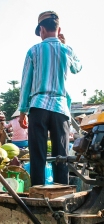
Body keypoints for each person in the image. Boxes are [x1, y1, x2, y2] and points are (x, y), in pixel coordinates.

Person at [18, 11, 82, 186]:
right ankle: (62, 194)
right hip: (60, 109)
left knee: (37, 155)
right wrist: (66, 45)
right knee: (61, 155)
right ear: (58, 29)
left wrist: (23, 111)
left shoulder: (33, 51)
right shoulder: (67, 50)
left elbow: (26, 83)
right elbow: (78, 67)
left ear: (42, 30)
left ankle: (39, 193)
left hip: (38, 107)